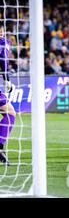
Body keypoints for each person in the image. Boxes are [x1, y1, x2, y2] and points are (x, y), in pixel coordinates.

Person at [0, 26, 14, 165]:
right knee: (10, 113)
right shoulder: (3, 42)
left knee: (9, 111)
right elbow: (3, 61)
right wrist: (7, 79)